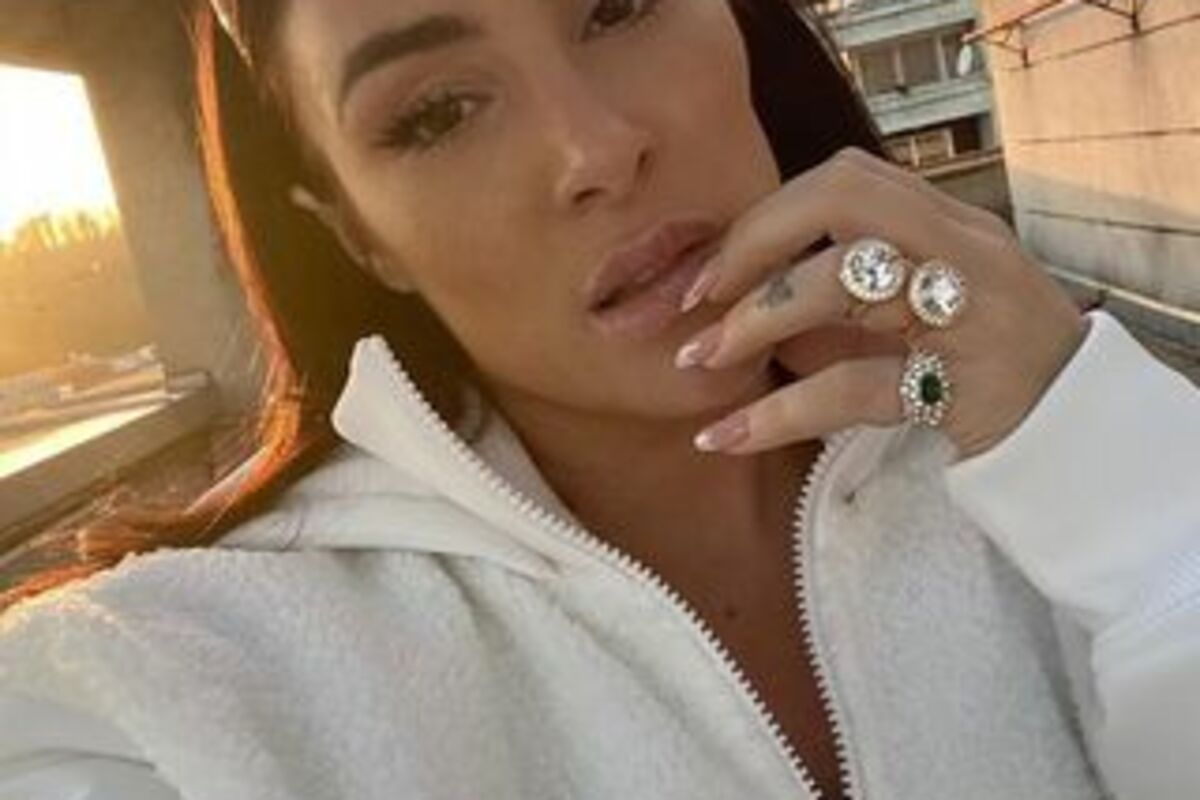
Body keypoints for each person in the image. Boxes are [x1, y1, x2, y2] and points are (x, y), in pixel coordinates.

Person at [1, 0, 1198, 797]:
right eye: (436, 113)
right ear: (359, 236)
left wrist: (1116, 488)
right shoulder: (183, 686)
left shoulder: (1035, 437)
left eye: (619, 6)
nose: (597, 148)